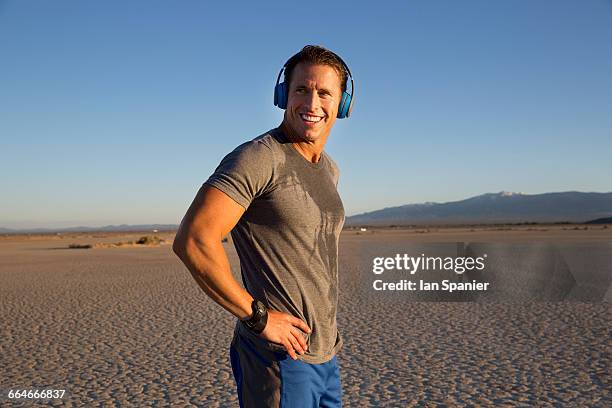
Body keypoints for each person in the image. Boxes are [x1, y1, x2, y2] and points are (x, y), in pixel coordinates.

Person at [173, 44, 354, 408]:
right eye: (302, 89)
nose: (312, 103)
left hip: (323, 354)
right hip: (279, 358)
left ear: (343, 104)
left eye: (324, 93)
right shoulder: (259, 157)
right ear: (283, 94)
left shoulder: (329, 168)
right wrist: (259, 318)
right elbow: (194, 240)